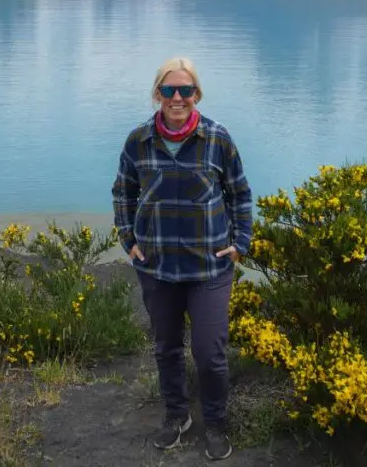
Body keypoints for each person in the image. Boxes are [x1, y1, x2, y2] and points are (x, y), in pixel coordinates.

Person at [112, 56, 253, 461]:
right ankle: (177, 417)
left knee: (210, 353)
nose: (177, 97)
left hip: (209, 267)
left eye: (185, 90)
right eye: (169, 90)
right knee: (166, 348)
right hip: (157, 268)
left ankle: (215, 423)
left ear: (197, 94)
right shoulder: (138, 141)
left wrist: (240, 241)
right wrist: (128, 239)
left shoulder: (217, 139)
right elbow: (123, 192)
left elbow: (240, 193)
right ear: (157, 94)